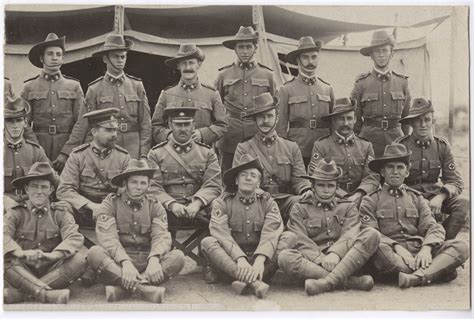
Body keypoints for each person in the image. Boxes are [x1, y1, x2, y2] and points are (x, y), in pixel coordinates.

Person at [359, 143, 469, 288]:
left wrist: (426, 249)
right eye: (390, 167)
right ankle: (435, 270)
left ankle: (416, 277)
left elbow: (433, 227)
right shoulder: (370, 200)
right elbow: (371, 233)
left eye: (400, 167)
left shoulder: (417, 198)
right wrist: (397, 247)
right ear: (382, 172)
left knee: (461, 246)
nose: (395, 172)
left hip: (418, 250)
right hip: (391, 254)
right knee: (376, 248)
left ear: (407, 172)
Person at [87, 159, 185, 303]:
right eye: (134, 182)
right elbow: (108, 239)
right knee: (94, 253)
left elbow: (161, 236)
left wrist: (154, 259)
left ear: (148, 185)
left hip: (147, 260)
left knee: (178, 257)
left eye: (143, 183)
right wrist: (125, 262)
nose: (139, 187)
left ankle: (122, 289)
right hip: (119, 263)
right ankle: (144, 288)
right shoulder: (110, 203)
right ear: (124, 184)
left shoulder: (155, 205)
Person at [277, 159, 380, 296]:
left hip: (344, 259)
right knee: (285, 257)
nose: (326, 190)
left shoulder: (348, 206)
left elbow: (350, 234)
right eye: (321, 185)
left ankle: (325, 283)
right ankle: (349, 282)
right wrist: (320, 258)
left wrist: (335, 254)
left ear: (337, 187)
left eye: (330, 186)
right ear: (312, 186)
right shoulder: (300, 207)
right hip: (314, 262)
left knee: (372, 234)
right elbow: (300, 239)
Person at [201, 154, 283, 298]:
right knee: (208, 242)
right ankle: (255, 282)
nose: (248, 178)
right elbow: (221, 234)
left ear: (259, 183)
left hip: (262, 262)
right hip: (233, 261)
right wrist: (240, 259)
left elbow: (272, 232)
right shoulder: (223, 202)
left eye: (253, 175)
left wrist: (260, 260)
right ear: (236, 180)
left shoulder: (267, 202)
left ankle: (243, 279)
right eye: (243, 175)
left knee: (289, 237)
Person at [4, 162, 87, 304]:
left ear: (51, 190)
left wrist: (53, 256)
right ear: (26, 189)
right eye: (34, 186)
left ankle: (22, 294)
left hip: (52, 270)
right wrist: (20, 253)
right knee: (4, 259)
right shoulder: (16, 213)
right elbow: (3, 235)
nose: (39, 191)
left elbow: (74, 237)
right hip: (22, 268)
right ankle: (48, 295)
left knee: (79, 260)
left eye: (44, 187)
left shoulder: (60, 213)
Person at [233, 92, 312, 223]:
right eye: (261, 117)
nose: (265, 121)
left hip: (285, 200)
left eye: (270, 116)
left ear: (277, 118)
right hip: (256, 201)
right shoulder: (244, 148)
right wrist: (256, 192)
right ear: (255, 120)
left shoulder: (291, 147)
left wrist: (306, 190)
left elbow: (300, 179)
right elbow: (238, 182)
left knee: (302, 203)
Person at [395, 97, 467, 239]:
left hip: (435, 196)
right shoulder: (401, 146)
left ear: (433, 122)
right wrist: (420, 200)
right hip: (408, 197)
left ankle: (443, 241)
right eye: (418, 120)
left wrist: (440, 197)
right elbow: (394, 181)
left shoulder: (442, 146)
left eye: (427, 120)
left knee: (464, 204)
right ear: (411, 124)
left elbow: (456, 182)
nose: (423, 125)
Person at [74, 33, 151, 159]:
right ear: (105, 59)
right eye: (116, 57)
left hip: (133, 147)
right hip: (106, 146)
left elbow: (146, 124)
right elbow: (87, 125)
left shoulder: (137, 86)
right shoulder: (94, 89)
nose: (120, 60)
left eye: (123, 57)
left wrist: (143, 154)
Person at [148, 105, 222, 230]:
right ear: (170, 125)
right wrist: (172, 204)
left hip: (199, 210)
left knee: (219, 206)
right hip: (168, 210)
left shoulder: (207, 153)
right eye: (178, 125)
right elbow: (153, 187)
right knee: (150, 207)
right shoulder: (156, 154)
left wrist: (197, 203)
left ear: (194, 126)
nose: (183, 129)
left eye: (187, 124)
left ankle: (210, 246)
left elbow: (213, 184)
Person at [215, 26, 277, 172]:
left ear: (255, 48)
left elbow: (275, 107)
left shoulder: (267, 75)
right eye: (240, 47)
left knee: (257, 172)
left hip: (256, 132)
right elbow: (216, 107)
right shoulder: (224, 74)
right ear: (235, 50)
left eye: (248, 47)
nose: (244, 51)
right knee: (227, 173)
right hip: (230, 134)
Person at [56, 108, 130, 229]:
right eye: (108, 130)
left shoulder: (123, 157)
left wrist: (108, 207)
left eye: (115, 130)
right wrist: (91, 206)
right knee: (62, 208)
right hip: (82, 211)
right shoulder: (78, 156)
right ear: (94, 132)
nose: (114, 135)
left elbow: (128, 191)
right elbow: (64, 190)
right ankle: (70, 238)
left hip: (112, 211)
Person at [21, 33, 85, 170]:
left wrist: (66, 152)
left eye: (58, 54)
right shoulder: (29, 87)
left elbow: (81, 122)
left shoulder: (74, 86)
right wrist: (37, 151)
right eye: (50, 54)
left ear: (63, 58)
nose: (54, 58)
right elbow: (23, 123)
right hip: (38, 147)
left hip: (67, 149)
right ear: (41, 58)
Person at [151, 43, 228, 146]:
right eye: (183, 63)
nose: (188, 67)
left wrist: (203, 134)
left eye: (191, 63)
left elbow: (222, 125)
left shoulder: (211, 94)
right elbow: (155, 126)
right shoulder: (167, 94)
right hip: (174, 153)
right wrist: (168, 136)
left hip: (203, 155)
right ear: (178, 66)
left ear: (199, 65)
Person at [351, 30, 411, 157]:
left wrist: (402, 140)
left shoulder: (402, 82)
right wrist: (362, 141)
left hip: (395, 141)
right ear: (371, 55)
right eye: (377, 51)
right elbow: (355, 120)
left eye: (385, 50)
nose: (381, 55)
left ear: (392, 53)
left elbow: (406, 119)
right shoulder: (361, 83)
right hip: (368, 141)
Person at [276, 36, 335, 167]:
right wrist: (287, 151)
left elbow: (333, 124)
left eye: (314, 57)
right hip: (298, 149)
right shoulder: (286, 89)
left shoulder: (327, 89)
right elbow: (281, 127)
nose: (310, 62)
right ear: (298, 60)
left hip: (324, 150)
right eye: (305, 57)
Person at [308, 97, 379, 202]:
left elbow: (372, 177)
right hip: (332, 199)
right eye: (341, 119)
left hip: (360, 199)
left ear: (355, 119)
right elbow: (317, 177)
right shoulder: (321, 146)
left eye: (349, 118)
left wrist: (358, 195)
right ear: (334, 121)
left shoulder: (366, 146)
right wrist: (344, 197)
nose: (346, 123)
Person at [4, 97, 51, 207]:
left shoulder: (36, 151)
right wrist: (4, 201)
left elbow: (50, 180)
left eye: (19, 120)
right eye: (10, 121)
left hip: (32, 205)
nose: (15, 126)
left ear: (25, 122)